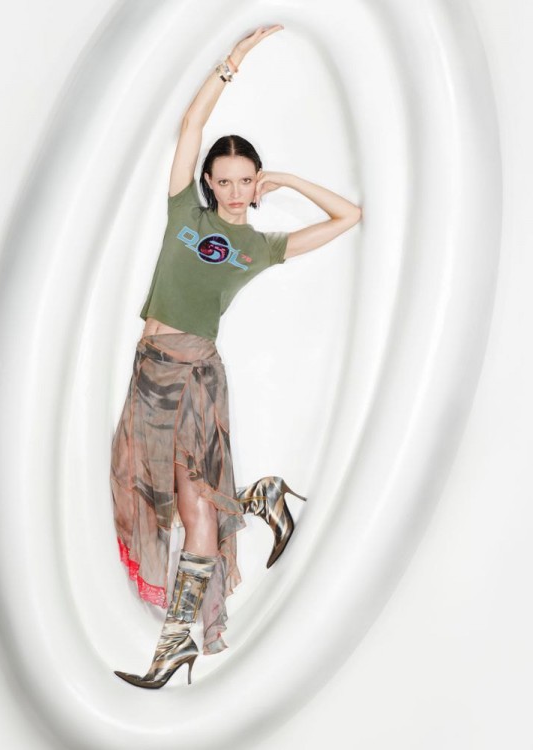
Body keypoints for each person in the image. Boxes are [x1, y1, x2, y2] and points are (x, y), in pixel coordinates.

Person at [111, 24, 362, 689]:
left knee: (193, 510)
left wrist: (288, 179)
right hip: (149, 374)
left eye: (245, 180)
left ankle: (175, 644)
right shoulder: (182, 214)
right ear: (207, 181)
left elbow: (348, 217)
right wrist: (234, 60)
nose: (233, 190)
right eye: (223, 180)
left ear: (255, 184)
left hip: (193, 378)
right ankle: (260, 496)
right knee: (162, 495)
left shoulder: (259, 248)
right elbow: (192, 125)